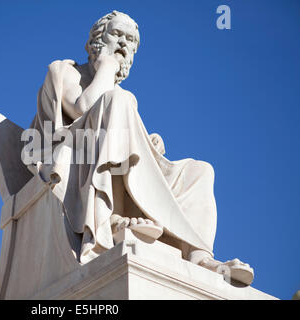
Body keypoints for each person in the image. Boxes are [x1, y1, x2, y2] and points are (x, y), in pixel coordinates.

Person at [29, 11, 253, 285]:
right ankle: (110, 219)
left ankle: (197, 254)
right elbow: (83, 107)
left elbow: (118, 128)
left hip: (105, 149)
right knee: (121, 99)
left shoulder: (119, 98)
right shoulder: (64, 71)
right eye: (117, 35)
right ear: (96, 40)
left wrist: (148, 141)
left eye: (131, 41)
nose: (124, 43)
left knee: (200, 171)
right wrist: (108, 68)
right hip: (74, 158)